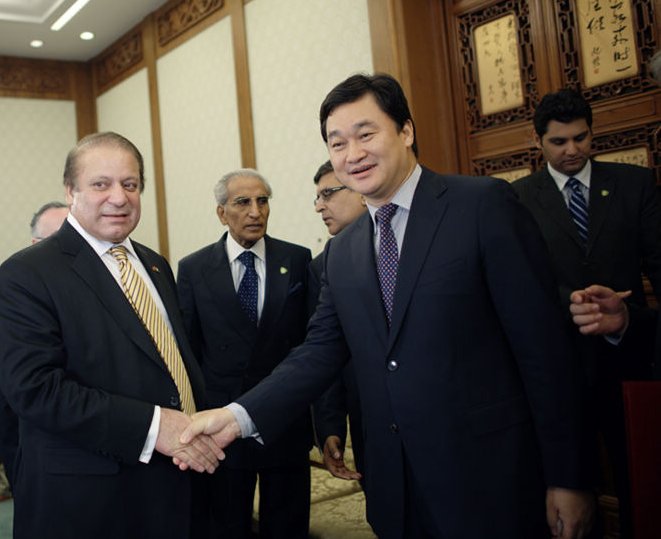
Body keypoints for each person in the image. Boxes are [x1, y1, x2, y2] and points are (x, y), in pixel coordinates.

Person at [181, 73, 594, 539]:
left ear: (406, 131)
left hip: (489, 479)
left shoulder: (482, 206)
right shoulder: (344, 250)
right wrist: (237, 416)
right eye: (337, 144)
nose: (351, 154)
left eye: (366, 134)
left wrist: (569, 476)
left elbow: (544, 351)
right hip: (396, 489)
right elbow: (319, 352)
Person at [0, 132, 223, 539]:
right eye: (101, 184)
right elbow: (35, 390)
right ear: (70, 192)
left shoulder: (155, 265)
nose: (119, 197)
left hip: (179, 482)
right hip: (93, 500)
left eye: (130, 184)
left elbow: (172, 362)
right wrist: (154, 428)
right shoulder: (26, 273)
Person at [512, 88, 661, 539]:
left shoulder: (634, 184)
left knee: (642, 483)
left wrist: (631, 317)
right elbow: (519, 278)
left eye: (581, 138)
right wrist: (568, 302)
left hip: (629, 360)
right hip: (556, 368)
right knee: (568, 495)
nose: (572, 150)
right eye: (559, 142)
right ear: (539, 142)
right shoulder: (516, 198)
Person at [177, 169, 312, 539]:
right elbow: (188, 352)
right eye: (243, 203)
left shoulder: (299, 259)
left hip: (285, 421)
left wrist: (326, 423)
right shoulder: (194, 268)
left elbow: (315, 346)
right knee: (225, 526)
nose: (255, 212)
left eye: (262, 201)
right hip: (221, 425)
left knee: (288, 527)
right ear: (222, 213)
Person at [0, 201, 69, 505]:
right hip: (41, 450)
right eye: (55, 238)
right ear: (34, 245)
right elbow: (11, 394)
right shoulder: (17, 287)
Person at [308, 160, 366, 484]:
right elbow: (323, 352)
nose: (319, 206)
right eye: (317, 197)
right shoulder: (324, 264)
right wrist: (330, 426)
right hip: (368, 423)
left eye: (328, 194)